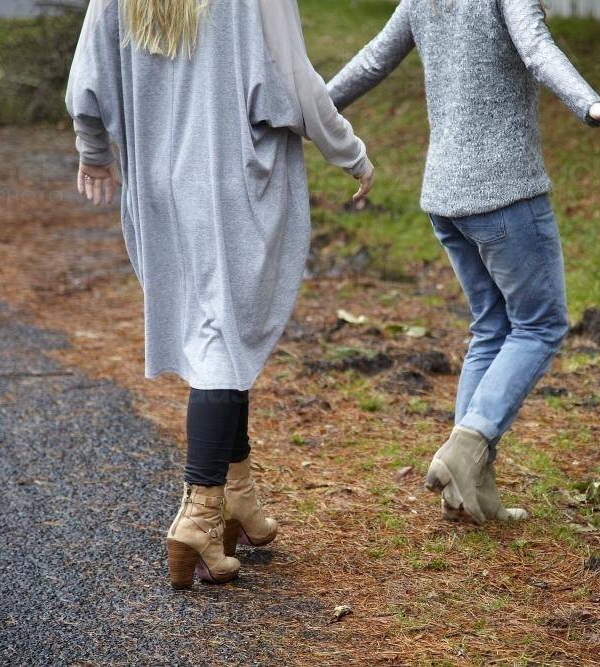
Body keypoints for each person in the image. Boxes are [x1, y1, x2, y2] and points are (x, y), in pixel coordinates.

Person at [66, 0, 375, 589]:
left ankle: (238, 495)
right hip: (231, 183)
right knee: (219, 343)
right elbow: (292, 83)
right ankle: (199, 511)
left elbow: (87, 82)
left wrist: (94, 152)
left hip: (157, 187)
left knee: (220, 336)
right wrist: (349, 150)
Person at [327, 0, 600, 526]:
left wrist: (309, 112)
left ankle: (468, 492)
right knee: (540, 325)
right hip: (505, 196)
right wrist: (591, 105)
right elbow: (537, 50)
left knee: (492, 328)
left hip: (446, 198)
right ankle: (467, 447)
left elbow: (371, 61)